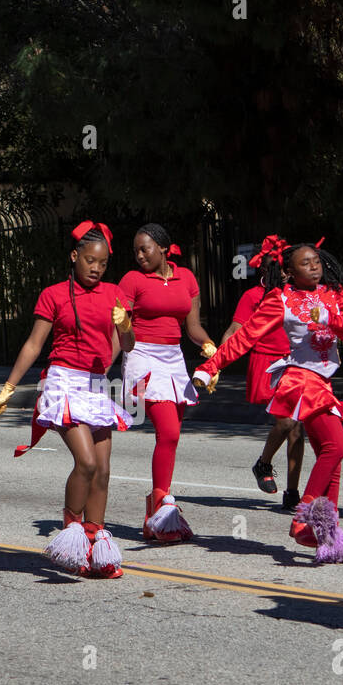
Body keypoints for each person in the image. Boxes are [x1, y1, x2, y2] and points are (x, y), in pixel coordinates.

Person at [194, 237, 343, 563]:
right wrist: (210, 366)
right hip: (301, 381)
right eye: (305, 263)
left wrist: (328, 318)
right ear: (289, 271)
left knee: (333, 460)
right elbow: (245, 337)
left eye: (316, 261)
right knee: (336, 447)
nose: (314, 267)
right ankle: (304, 517)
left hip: (323, 383)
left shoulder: (333, 294)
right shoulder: (281, 299)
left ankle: (328, 539)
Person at [0, 221, 133, 577]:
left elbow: (128, 347)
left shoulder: (114, 293)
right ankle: (70, 535)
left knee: (103, 470)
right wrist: (9, 387)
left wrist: (126, 325)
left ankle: (95, 543)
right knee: (85, 462)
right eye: (89, 261)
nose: (96, 268)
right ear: (74, 256)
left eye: (102, 263)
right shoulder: (53, 294)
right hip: (63, 381)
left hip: (96, 384)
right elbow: (34, 344)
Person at [115, 223, 218, 542]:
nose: (139, 255)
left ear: (163, 248)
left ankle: (154, 513)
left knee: (172, 438)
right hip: (143, 355)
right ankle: (161, 507)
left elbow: (192, 327)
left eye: (144, 249)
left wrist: (209, 346)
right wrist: (124, 327)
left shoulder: (186, 278)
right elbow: (126, 341)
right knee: (168, 431)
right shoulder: (131, 280)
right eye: (135, 251)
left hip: (174, 359)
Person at [222, 251, 304, 510]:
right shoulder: (253, 296)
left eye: (284, 269)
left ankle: (292, 492)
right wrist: (217, 362)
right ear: (263, 271)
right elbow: (236, 330)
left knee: (296, 429)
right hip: (267, 364)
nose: (281, 274)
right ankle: (264, 463)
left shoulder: (295, 295)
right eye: (275, 269)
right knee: (287, 421)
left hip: (294, 363)